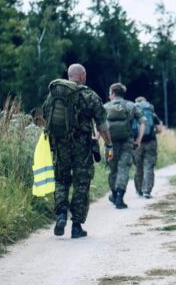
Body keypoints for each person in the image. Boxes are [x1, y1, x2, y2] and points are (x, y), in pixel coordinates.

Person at [43, 63, 113, 238]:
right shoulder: (88, 95)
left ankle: (61, 215)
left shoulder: (54, 95)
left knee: (61, 180)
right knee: (81, 184)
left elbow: (45, 115)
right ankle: (76, 225)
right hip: (82, 146)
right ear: (82, 75)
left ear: (69, 75)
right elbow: (102, 125)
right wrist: (109, 145)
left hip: (60, 145)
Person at [104, 83, 145, 209]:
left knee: (112, 169)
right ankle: (120, 198)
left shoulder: (105, 107)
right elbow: (143, 121)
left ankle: (114, 194)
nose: (109, 95)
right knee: (124, 168)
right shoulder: (131, 106)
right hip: (127, 142)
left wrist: (98, 138)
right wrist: (138, 139)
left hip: (110, 144)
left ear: (113, 93)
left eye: (110, 93)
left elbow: (98, 125)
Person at [134, 96, 163, 199]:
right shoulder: (152, 114)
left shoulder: (134, 113)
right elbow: (159, 129)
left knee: (138, 167)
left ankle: (138, 190)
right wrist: (152, 133)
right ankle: (147, 191)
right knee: (149, 167)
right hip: (151, 142)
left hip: (137, 142)